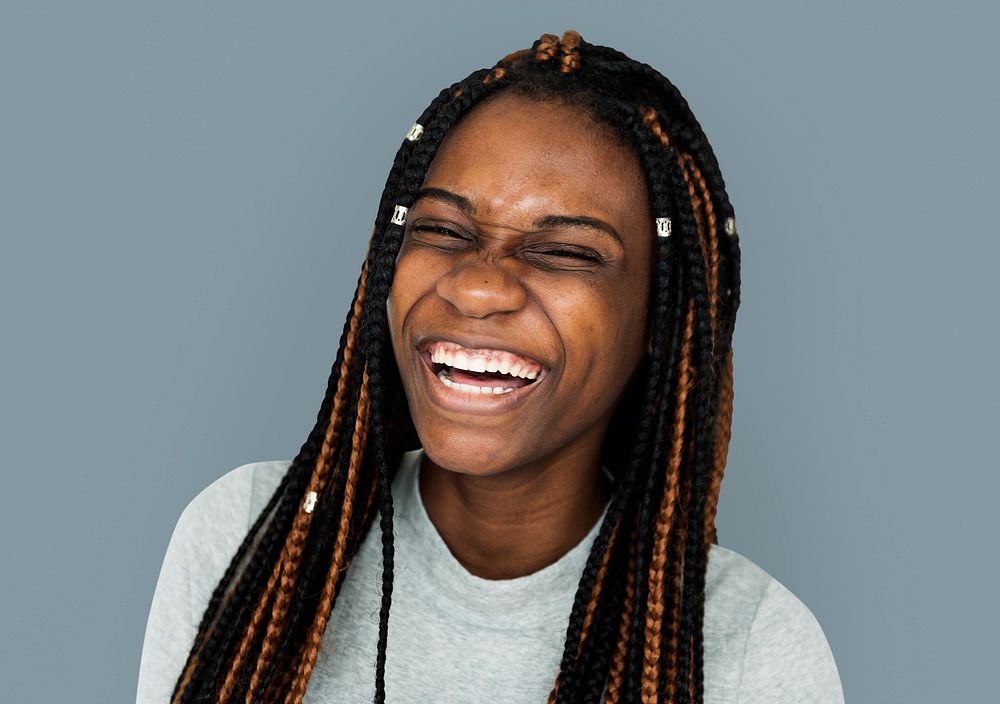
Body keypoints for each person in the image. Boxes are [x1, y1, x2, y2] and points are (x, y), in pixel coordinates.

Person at [137, 30, 845, 704]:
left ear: (660, 319)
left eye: (566, 252)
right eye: (441, 231)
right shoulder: (247, 536)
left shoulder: (753, 645)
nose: (477, 287)